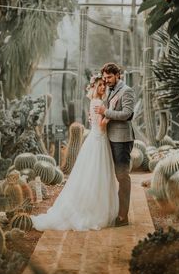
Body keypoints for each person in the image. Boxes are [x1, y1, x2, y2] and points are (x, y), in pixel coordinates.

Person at [31, 74, 118, 231]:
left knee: (94, 176)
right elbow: (102, 125)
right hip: (98, 140)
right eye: (99, 85)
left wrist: (107, 112)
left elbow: (95, 122)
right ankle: (92, 210)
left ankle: (93, 206)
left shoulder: (95, 102)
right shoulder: (98, 102)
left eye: (103, 85)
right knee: (96, 175)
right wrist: (110, 113)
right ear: (93, 87)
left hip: (97, 139)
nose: (102, 87)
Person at [95, 62, 135, 227]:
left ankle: (123, 217)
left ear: (118, 75)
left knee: (122, 176)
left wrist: (106, 112)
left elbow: (127, 114)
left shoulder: (127, 91)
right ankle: (112, 211)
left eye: (109, 77)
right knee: (111, 176)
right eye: (105, 77)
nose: (107, 80)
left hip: (122, 140)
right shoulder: (109, 90)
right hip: (109, 137)